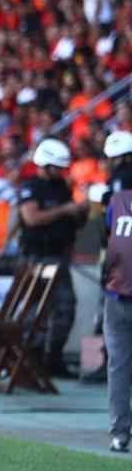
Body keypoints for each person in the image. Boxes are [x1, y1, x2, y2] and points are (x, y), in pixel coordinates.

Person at [18, 138, 90, 378]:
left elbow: (73, 221)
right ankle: (31, 358)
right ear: (45, 165)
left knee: (65, 309)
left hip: (58, 257)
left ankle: (53, 357)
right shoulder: (31, 187)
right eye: (57, 168)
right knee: (34, 311)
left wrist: (80, 212)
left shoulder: (63, 188)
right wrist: (65, 210)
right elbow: (32, 218)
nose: (60, 172)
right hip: (36, 258)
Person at [101, 130, 132, 452]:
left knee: (119, 365)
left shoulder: (112, 201)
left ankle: (120, 432)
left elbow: (103, 239)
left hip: (117, 289)